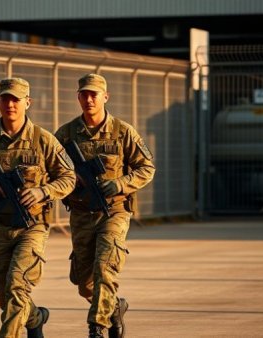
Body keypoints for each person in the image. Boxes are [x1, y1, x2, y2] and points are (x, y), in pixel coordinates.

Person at [0, 77, 76, 338]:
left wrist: (43, 190)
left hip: (32, 227)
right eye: (5, 99)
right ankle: (35, 318)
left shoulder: (43, 140)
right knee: (4, 291)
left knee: (18, 286)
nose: (10, 104)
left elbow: (69, 177)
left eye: (16, 100)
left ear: (27, 103)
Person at [54, 73, 155, 338]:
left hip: (115, 211)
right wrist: (68, 179)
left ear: (105, 97)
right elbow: (49, 169)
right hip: (80, 213)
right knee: (84, 283)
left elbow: (146, 167)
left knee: (105, 269)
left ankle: (96, 328)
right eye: (84, 95)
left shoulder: (123, 131)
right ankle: (114, 309)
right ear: (78, 97)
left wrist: (121, 183)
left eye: (94, 94)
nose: (89, 99)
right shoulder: (65, 134)